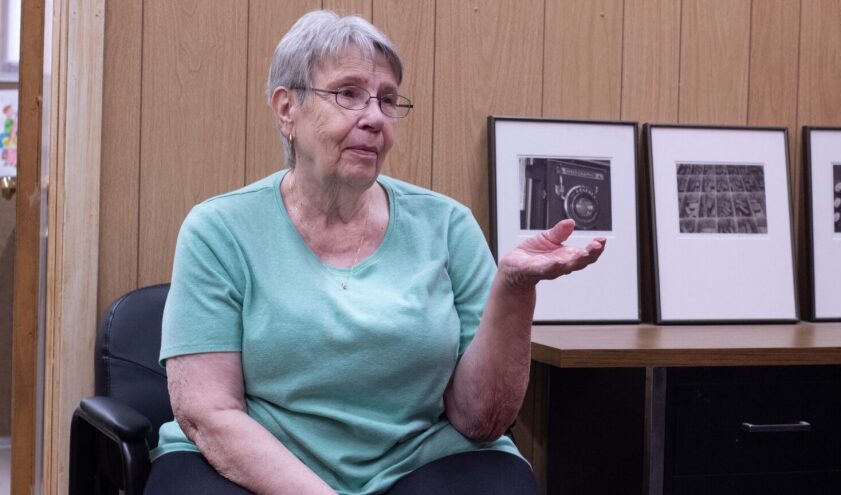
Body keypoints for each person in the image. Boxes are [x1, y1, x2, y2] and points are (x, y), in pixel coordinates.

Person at [145, 10, 605, 495]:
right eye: (348, 94)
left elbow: (481, 420)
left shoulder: (447, 225)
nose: (374, 117)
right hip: (260, 461)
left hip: (419, 461)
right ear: (287, 110)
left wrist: (514, 288)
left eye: (387, 100)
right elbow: (209, 414)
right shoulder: (219, 229)